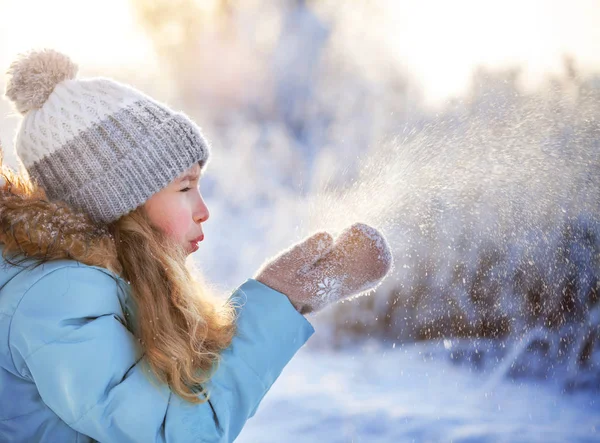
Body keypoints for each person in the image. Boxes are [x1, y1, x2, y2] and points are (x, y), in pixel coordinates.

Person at [0, 49, 393, 443]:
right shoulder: (55, 300)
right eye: (185, 187)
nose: (203, 210)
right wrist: (279, 299)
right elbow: (173, 433)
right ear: (121, 200)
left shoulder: (101, 283)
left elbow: (179, 396)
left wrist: (287, 302)